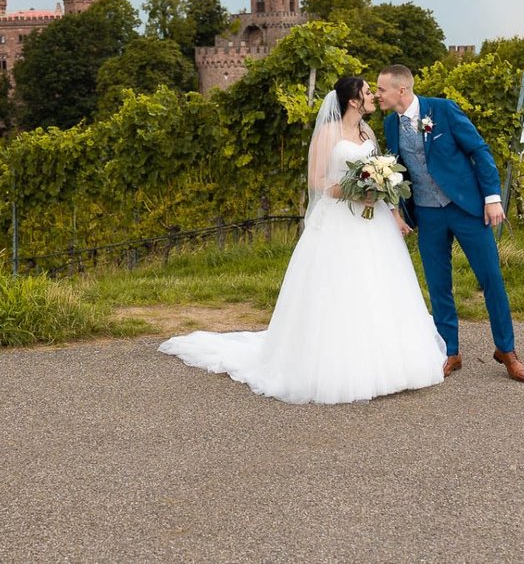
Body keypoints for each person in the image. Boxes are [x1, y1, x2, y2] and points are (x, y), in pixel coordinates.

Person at [158, 76, 446, 404]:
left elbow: (380, 172)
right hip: (339, 218)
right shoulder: (328, 134)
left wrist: (389, 207)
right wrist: (352, 192)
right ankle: (338, 362)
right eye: (367, 92)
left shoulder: (367, 133)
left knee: (379, 282)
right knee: (338, 287)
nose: (372, 97)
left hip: (372, 220)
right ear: (353, 100)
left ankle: (390, 360)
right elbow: (317, 179)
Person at [376, 64, 524, 383]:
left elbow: (479, 151)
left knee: (491, 277)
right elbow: (397, 170)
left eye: (381, 89)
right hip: (427, 212)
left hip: (465, 207)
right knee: (438, 283)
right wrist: (396, 210)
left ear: (401, 90)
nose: (377, 94)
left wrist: (492, 198)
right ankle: (450, 351)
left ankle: (507, 350)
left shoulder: (443, 110)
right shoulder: (391, 124)